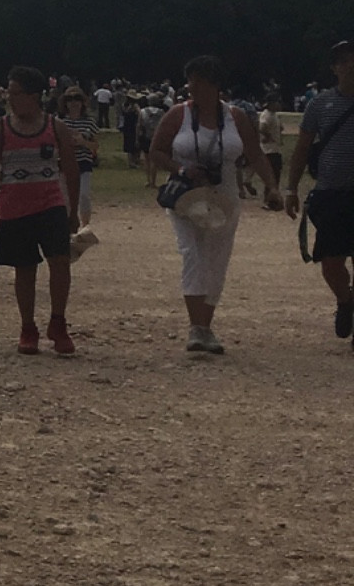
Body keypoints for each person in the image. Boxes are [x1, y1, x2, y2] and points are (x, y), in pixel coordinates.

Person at [147, 55, 280, 355]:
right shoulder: (178, 115)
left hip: (224, 197)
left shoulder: (236, 117)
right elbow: (156, 150)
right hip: (187, 197)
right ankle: (196, 328)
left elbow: (256, 154)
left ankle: (207, 326)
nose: (192, 86)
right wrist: (180, 170)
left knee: (217, 259)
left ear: (214, 84)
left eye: (198, 80)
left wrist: (271, 186)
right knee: (191, 254)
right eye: (190, 80)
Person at [0, 65, 81, 354]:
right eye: (8, 93)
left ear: (34, 96)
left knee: (60, 263)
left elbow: (72, 172)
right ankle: (28, 327)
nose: (10, 99)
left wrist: (72, 211)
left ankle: (58, 322)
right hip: (14, 208)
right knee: (24, 269)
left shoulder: (55, 127)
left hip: (50, 204)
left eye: (16, 93)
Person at [283, 38, 354, 343]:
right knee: (331, 262)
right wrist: (291, 188)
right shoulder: (320, 104)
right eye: (346, 62)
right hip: (331, 193)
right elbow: (301, 149)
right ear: (335, 68)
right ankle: (345, 300)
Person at [58, 80, 98, 226]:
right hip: (64, 164)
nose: (74, 103)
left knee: (84, 195)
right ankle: (67, 226)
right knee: (65, 197)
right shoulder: (59, 122)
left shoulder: (89, 122)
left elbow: (95, 146)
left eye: (77, 99)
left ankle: (85, 226)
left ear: (82, 102)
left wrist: (83, 142)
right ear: (65, 103)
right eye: (70, 99)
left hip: (84, 163)